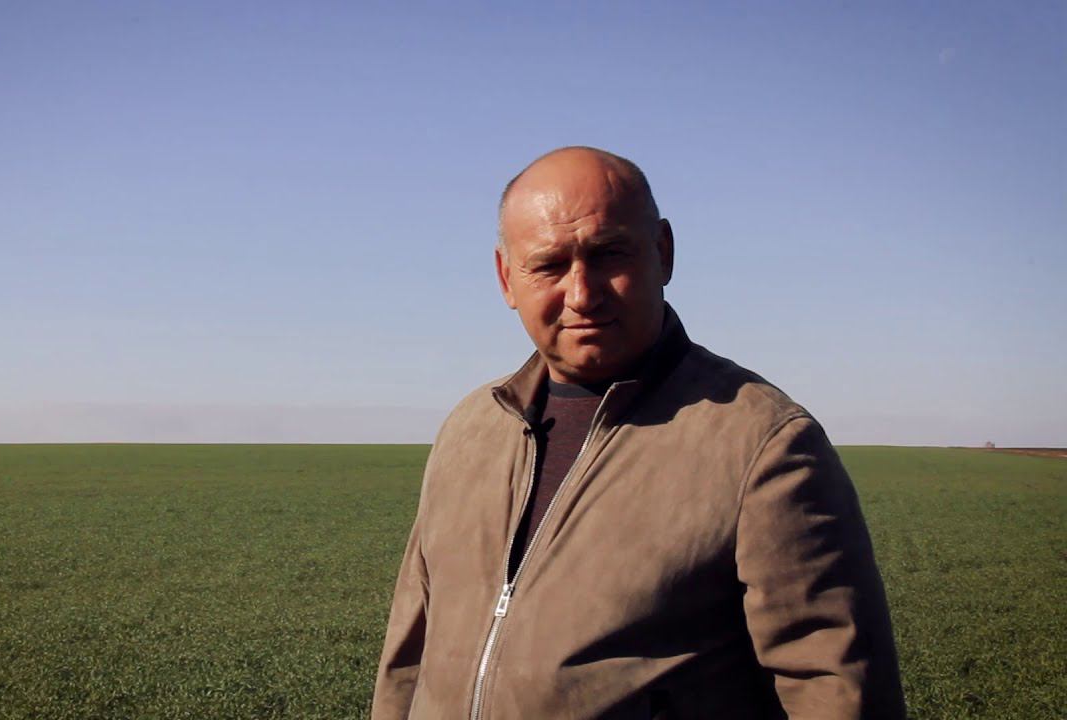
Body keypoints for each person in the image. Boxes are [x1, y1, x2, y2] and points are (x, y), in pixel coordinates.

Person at [371, 146, 905, 719]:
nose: (582, 293)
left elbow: (837, 689)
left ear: (663, 253)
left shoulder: (762, 444)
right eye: (549, 265)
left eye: (609, 254)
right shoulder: (472, 429)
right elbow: (410, 654)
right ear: (507, 278)